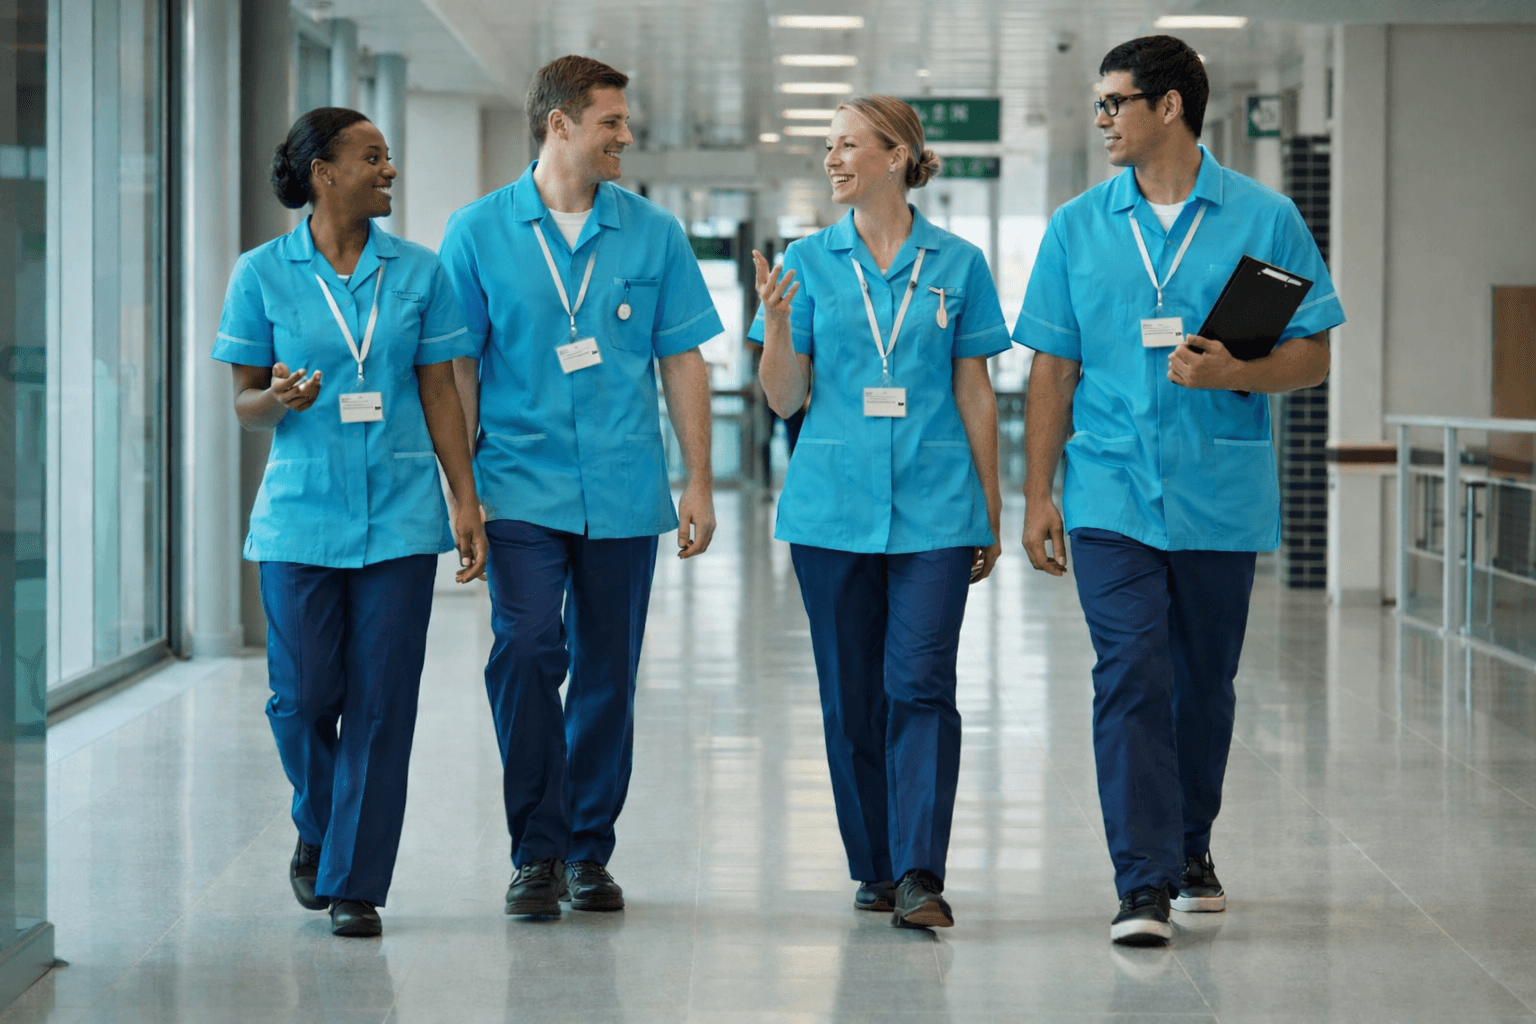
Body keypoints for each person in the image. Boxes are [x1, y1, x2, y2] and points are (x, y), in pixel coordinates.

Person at [1014, 35, 1345, 946]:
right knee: (1130, 674)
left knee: (1202, 686)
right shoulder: (1078, 225)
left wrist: (1237, 369)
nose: (1104, 120)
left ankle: (1190, 843)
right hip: (1111, 490)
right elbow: (1052, 367)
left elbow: (1312, 353)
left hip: (1217, 490)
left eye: (1116, 102)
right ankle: (1143, 882)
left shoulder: (1264, 218)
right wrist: (1037, 492)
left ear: (1169, 107)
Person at [439, 55, 722, 918]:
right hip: (518, 488)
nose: (625, 136)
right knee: (526, 652)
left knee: (607, 672)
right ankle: (538, 848)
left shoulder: (653, 234)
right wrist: (462, 495)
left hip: (626, 489)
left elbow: (682, 360)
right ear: (559, 123)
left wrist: (700, 479)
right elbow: (456, 370)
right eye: (611, 122)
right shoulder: (478, 231)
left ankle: (588, 849)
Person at [213, 107, 486, 937]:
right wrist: (279, 398)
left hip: (400, 517)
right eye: (372, 158)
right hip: (300, 516)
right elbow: (245, 403)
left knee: (381, 705)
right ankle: (323, 825)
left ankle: (356, 883)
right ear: (323, 172)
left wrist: (464, 497)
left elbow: (440, 389)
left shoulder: (421, 271)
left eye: (390, 157)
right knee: (299, 701)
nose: (389, 170)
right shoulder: (261, 272)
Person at [752, 95, 1010, 929]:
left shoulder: (959, 264)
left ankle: (919, 872)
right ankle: (873, 862)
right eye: (826, 146)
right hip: (831, 510)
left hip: (937, 506)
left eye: (848, 145)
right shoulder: (805, 262)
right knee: (851, 694)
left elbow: (974, 388)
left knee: (922, 683)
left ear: (899, 155)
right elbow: (784, 397)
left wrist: (992, 503)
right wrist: (780, 329)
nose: (832, 159)